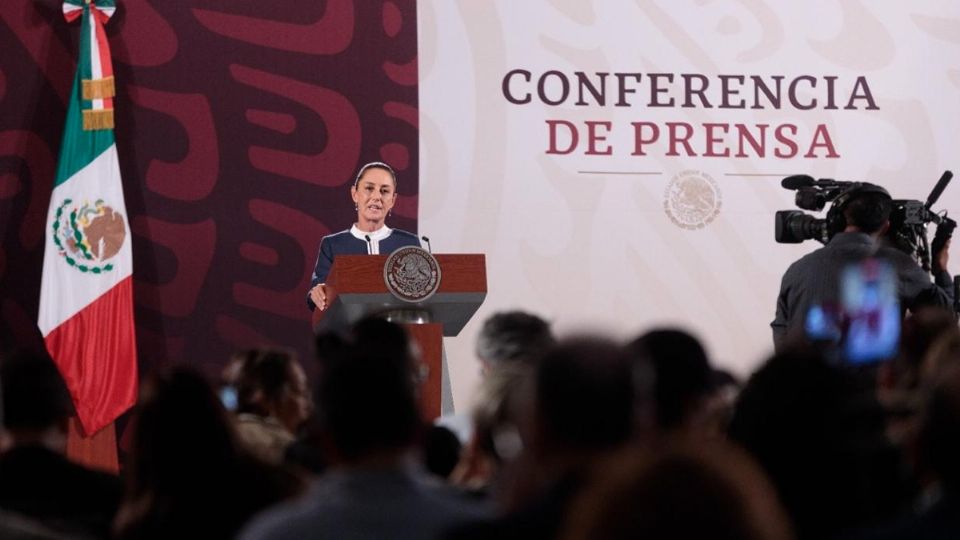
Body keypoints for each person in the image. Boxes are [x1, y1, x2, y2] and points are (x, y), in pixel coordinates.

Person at [771, 184, 953, 349]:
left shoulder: (796, 270)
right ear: (885, 227)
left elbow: (782, 334)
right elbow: (945, 320)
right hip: (874, 385)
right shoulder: (899, 265)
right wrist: (940, 269)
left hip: (804, 383)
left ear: (838, 220)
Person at [306, 161, 421, 311]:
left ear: (392, 200)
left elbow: (424, 291)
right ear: (355, 194)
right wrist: (316, 293)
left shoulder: (408, 243)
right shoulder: (333, 245)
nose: (376, 196)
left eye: (384, 191)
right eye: (369, 188)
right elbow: (318, 290)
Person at [232, 347, 313, 465]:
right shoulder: (285, 450)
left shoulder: (227, 435)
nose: (308, 401)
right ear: (260, 395)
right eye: (300, 390)